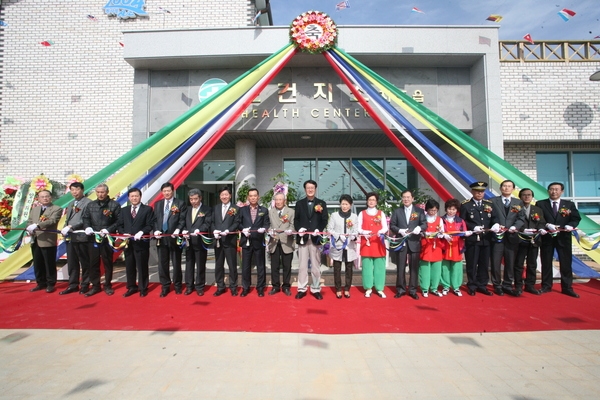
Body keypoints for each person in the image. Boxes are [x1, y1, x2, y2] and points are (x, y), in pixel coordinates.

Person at [537, 182, 581, 298]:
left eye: (556, 189)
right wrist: (546, 225)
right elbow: (538, 219)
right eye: (551, 189)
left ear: (562, 191)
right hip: (547, 237)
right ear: (548, 191)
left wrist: (570, 225)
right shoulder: (541, 204)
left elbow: (576, 218)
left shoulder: (569, 204)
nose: (554, 191)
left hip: (564, 238)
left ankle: (567, 287)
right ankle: (546, 285)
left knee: (566, 263)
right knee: (546, 262)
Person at [82, 183, 121, 297]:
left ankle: (108, 285)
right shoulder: (91, 205)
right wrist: (87, 227)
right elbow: (85, 218)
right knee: (93, 262)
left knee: (107, 262)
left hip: (107, 238)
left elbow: (119, 221)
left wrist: (109, 230)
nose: (100, 194)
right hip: (93, 238)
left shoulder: (114, 205)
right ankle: (95, 285)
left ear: (107, 192)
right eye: (98, 192)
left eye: (102, 192)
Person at [489, 179, 526, 296]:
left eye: (509, 186)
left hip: (512, 236)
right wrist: (494, 224)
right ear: (500, 188)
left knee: (510, 262)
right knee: (496, 262)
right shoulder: (492, 201)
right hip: (497, 237)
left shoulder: (518, 202)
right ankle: (497, 285)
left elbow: (521, 218)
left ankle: (507, 284)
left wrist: (515, 227)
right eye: (504, 186)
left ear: (513, 189)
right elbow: (490, 216)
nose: (506, 188)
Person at [117, 187, 156, 298]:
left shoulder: (147, 209)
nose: (134, 198)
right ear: (129, 197)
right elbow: (119, 225)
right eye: (132, 196)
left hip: (141, 243)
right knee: (129, 266)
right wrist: (123, 233)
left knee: (142, 266)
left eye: (136, 196)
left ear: (140, 196)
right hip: (128, 243)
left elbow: (150, 224)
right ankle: (131, 287)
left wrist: (142, 232)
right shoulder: (124, 210)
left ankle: (143, 288)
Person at [294, 179, 328, 300]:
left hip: (316, 238)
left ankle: (315, 288)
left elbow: (324, 220)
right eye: (308, 188)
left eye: (312, 188)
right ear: (305, 189)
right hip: (303, 238)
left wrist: (318, 229)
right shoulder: (299, 204)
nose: (310, 190)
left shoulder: (322, 203)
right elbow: (296, 220)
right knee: (302, 265)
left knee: (315, 265)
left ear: (315, 189)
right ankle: (302, 289)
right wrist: (299, 229)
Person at [390, 189, 427, 299]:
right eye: (404, 197)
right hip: (401, 242)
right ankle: (400, 289)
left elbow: (424, 224)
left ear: (412, 198)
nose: (406, 199)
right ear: (402, 199)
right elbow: (392, 225)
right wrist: (400, 230)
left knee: (414, 268)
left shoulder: (419, 211)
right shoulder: (397, 211)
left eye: (408, 197)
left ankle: (412, 290)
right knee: (400, 267)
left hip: (414, 242)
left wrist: (419, 228)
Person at [153, 182, 187, 297]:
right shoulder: (157, 204)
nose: (167, 193)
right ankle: (165, 286)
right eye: (164, 191)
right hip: (161, 239)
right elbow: (155, 219)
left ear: (173, 191)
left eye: (169, 191)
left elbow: (182, 219)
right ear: (162, 192)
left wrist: (178, 230)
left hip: (174, 238)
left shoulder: (180, 203)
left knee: (176, 263)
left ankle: (177, 285)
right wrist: (156, 230)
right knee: (163, 264)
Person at [460, 182, 494, 296]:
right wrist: (473, 227)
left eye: (481, 191)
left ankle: (482, 285)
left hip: (486, 238)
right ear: (472, 192)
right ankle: (472, 285)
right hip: (473, 239)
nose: (479, 194)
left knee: (484, 263)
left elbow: (494, 219)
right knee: (472, 263)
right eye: (477, 191)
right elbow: (462, 221)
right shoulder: (466, 205)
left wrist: (496, 225)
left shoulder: (489, 204)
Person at [26, 190, 62, 293]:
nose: (45, 198)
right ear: (38, 198)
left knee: (49, 263)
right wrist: (29, 228)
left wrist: (37, 225)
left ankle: (50, 283)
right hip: (35, 239)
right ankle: (40, 283)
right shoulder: (35, 209)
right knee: (38, 263)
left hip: (47, 240)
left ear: (51, 197)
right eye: (42, 197)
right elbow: (29, 221)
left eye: (47, 196)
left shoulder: (56, 208)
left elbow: (52, 220)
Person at [59, 182, 92, 295]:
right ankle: (73, 284)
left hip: (82, 237)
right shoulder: (71, 203)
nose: (74, 192)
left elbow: (86, 219)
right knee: (72, 262)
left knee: (84, 262)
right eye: (72, 190)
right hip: (71, 237)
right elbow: (68, 219)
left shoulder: (88, 203)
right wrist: (65, 228)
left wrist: (71, 226)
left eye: (77, 189)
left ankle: (85, 284)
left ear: (82, 190)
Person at [515, 188, 547, 296]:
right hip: (520, 239)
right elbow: (514, 221)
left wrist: (541, 228)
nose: (527, 197)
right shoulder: (516, 208)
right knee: (519, 264)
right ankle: (518, 286)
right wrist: (522, 229)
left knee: (532, 264)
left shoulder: (537, 209)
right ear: (520, 196)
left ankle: (530, 285)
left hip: (534, 240)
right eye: (524, 195)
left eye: (529, 195)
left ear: (532, 197)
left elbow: (541, 222)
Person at [239, 188, 270, 297]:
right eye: (251, 196)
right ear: (248, 197)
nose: (253, 197)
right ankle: (245, 287)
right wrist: (243, 229)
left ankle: (260, 288)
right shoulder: (242, 210)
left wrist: (264, 229)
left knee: (261, 266)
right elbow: (238, 222)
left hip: (258, 241)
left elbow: (267, 223)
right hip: (246, 241)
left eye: (255, 195)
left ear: (258, 197)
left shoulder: (264, 210)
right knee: (246, 266)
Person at [326, 194, 358, 299]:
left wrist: (352, 236)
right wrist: (338, 236)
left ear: (350, 205)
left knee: (349, 268)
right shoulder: (334, 215)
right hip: (338, 245)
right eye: (343, 204)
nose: (344, 206)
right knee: (337, 267)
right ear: (340, 204)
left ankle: (347, 288)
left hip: (349, 245)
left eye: (347, 204)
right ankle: (338, 289)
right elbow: (329, 229)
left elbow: (356, 230)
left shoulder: (354, 216)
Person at [358, 192, 388, 298]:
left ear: (376, 202)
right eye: (369, 199)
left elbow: (385, 227)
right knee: (367, 267)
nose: (371, 201)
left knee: (379, 267)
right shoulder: (362, 213)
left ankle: (379, 288)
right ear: (367, 201)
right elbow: (358, 228)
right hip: (366, 243)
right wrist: (364, 232)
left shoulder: (381, 213)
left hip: (378, 243)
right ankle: (368, 288)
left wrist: (381, 231)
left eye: (373, 200)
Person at [183, 189, 212, 296]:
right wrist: (184, 230)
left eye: (195, 199)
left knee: (200, 264)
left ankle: (199, 286)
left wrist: (199, 229)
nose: (193, 201)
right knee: (189, 264)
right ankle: (189, 286)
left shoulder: (207, 209)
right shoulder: (187, 209)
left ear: (200, 198)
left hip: (200, 241)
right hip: (189, 241)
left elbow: (207, 223)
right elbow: (183, 222)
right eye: (191, 199)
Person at [211, 186, 240, 297]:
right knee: (218, 265)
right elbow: (212, 222)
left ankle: (233, 287)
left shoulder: (235, 208)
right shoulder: (215, 208)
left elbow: (237, 222)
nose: (224, 197)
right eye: (222, 195)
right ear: (220, 196)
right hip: (218, 241)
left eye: (226, 194)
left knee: (232, 265)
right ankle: (220, 287)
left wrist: (229, 230)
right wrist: (214, 231)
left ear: (230, 196)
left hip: (230, 241)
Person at [267, 192, 295, 296]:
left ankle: (286, 286)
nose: (278, 202)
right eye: (276, 200)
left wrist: (290, 230)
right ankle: (275, 286)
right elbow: (268, 224)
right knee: (274, 266)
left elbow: (293, 225)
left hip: (286, 241)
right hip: (274, 241)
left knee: (287, 266)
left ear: (284, 201)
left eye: (280, 200)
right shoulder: (270, 212)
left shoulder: (291, 211)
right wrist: (270, 230)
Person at [440, 198, 469, 297]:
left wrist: (466, 234)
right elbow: (438, 232)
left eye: (454, 209)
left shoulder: (461, 221)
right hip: (445, 246)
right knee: (445, 267)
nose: (451, 211)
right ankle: (445, 286)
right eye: (449, 209)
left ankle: (456, 287)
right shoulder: (441, 220)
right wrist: (444, 235)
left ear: (457, 210)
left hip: (457, 247)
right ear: (446, 209)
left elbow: (464, 234)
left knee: (456, 267)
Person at [419, 199, 444, 298]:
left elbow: (442, 231)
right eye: (431, 210)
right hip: (426, 245)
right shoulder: (423, 219)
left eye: (435, 210)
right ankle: (425, 288)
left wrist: (441, 234)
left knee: (436, 268)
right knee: (425, 268)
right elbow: (420, 231)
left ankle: (434, 288)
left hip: (436, 245)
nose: (433, 212)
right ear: (427, 209)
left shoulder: (439, 219)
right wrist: (426, 234)